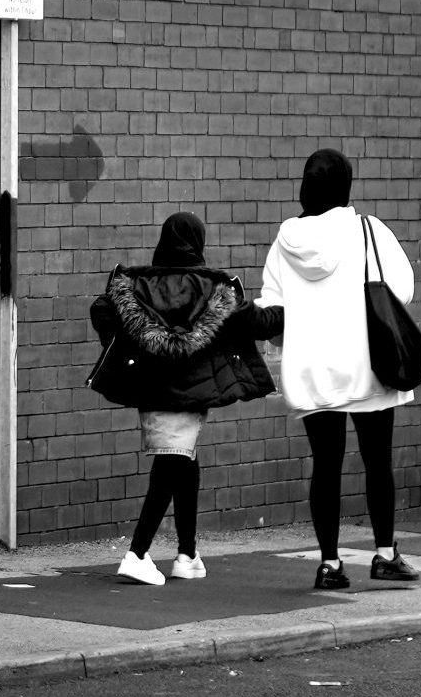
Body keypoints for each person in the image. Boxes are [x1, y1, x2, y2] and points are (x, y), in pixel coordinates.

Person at [258, 148, 420, 590]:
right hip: (369, 366)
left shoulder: (286, 240)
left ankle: (329, 564)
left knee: (325, 466)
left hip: (313, 371)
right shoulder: (367, 228)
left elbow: (273, 309)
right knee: (377, 460)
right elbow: (401, 288)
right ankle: (385, 554)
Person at [88, 211, 279, 585]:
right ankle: (138, 553)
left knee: (182, 462)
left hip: (152, 388)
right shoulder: (214, 288)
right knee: (171, 465)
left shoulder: (135, 285)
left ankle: (187, 554)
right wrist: (300, 309)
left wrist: (132, 344)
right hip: (192, 393)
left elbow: (101, 310)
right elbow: (257, 323)